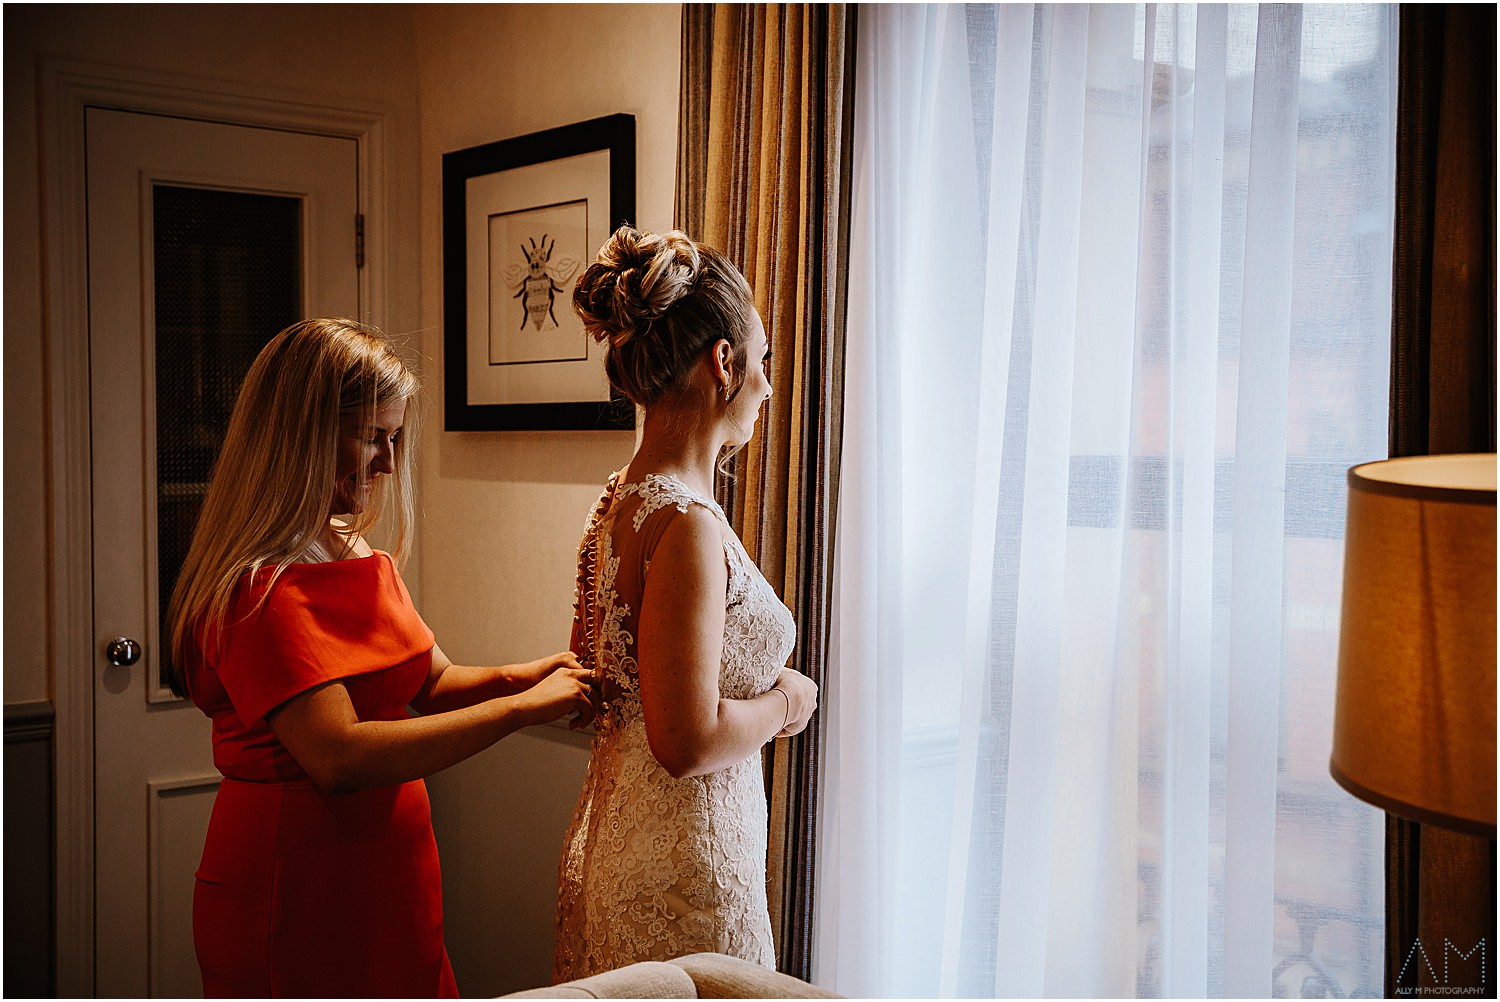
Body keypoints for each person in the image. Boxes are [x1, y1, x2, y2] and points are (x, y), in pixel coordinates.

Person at [167, 318, 593, 998]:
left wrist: (532, 672)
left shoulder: (356, 555)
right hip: (298, 882)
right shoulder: (255, 588)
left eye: (394, 438)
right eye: (373, 437)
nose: (390, 464)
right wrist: (520, 710)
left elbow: (434, 682)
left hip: (393, 873)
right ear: (301, 437)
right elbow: (339, 757)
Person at [553, 227, 820, 979]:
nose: (769, 386)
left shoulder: (619, 499)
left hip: (615, 834)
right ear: (724, 362)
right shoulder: (687, 525)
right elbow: (687, 741)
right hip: (684, 865)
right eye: (762, 360)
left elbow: (598, 674)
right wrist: (787, 704)